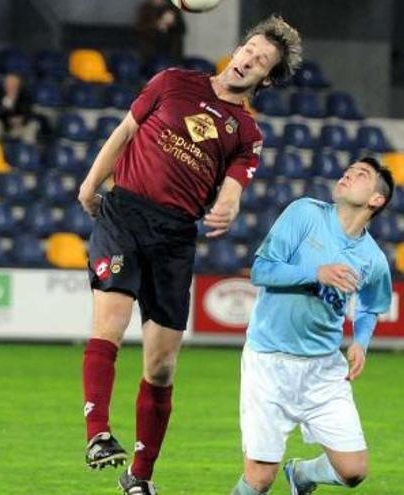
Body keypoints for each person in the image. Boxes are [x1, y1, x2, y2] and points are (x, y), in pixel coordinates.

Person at [77, 15, 302, 495]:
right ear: (238, 49)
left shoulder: (246, 132)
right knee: (109, 326)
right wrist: (91, 183)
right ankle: (97, 432)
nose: (250, 59)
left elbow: (235, 187)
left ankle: (139, 477)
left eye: (262, 60)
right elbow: (124, 132)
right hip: (124, 215)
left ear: (266, 78)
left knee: (160, 367)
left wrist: (226, 205)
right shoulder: (173, 81)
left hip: (176, 237)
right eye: (250, 49)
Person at [230, 157, 395, 495]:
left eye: (361, 174)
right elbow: (261, 270)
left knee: (353, 471)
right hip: (269, 362)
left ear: (376, 199)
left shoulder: (373, 259)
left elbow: (371, 306)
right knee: (260, 479)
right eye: (348, 169)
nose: (348, 173)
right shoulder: (305, 213)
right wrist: (314, 273)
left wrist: (360, 342)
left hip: (323, 369)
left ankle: (302, 475)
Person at [0, 73, 39, 144]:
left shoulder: (24, 97)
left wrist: (22, 119)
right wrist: (6, 115)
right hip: (2, 126)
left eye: (13, 84)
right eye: (8, 83)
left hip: (19, 127)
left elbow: (29, 113)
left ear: (18, 85)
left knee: (33, 125)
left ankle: (25, 152)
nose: (10, 86)